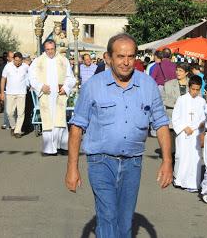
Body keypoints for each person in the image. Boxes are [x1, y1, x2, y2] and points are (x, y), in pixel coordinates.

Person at [65, 33, 172, 237]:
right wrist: (72, 168)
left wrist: (167, 161)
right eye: (120, 56)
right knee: (107, 215)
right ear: (108, 57)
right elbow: (77, 127)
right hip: (101, 162)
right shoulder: (93, 86)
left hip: (133, 163)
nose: (126, 62)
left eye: (131, 57)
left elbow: (161, 124)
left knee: (124, 222)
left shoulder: (147, 85)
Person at [28, 39, 76, 155]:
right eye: (47, 49)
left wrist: (65, 87)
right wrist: (40, 86)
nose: (50, 52)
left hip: (59, 95)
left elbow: (71, 77)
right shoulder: (38, 61)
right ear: (45, 49)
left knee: (60, 120)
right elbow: (31, 77)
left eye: (52, 49)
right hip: (46, 95)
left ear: (55, 48)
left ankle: (62, 146)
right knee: (48, 122)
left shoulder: (63, 60)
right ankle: (49, 149)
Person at [172, 75, 206, 192]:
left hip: (196, 133)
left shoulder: (202, 101)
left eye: (197, 89)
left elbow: (204, 118)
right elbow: (175, 117)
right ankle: (179, 179)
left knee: (194, 158)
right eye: (193, 89)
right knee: (181, 156)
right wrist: (184, 127)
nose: (195, 92)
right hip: (183, 133)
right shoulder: (181, 99)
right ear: (189, 87)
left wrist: (198, 126)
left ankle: (192, 182)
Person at [0, 52, 29, 138]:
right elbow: (3, 79)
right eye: (16, 60)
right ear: (13, 59)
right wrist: (2, 92)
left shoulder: (25, 67)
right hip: (10, 93)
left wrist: (30, 85)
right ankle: (13, 126)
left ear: (22, 60)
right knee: (9, 112)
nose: (17, 62)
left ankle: (17, 131)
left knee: (21, 113)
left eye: (19, 61)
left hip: (22, 93)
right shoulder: (8, 66)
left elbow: (31, 76)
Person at [162, 62, 190, 127]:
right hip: (172, 117)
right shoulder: (168, 84)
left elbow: (198, 99)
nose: (177, 72)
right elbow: (162, 99)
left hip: (188, 119)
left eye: (180, 71)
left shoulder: (192, 84)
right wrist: (177, 104)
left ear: (186, 73)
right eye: (177, 70)